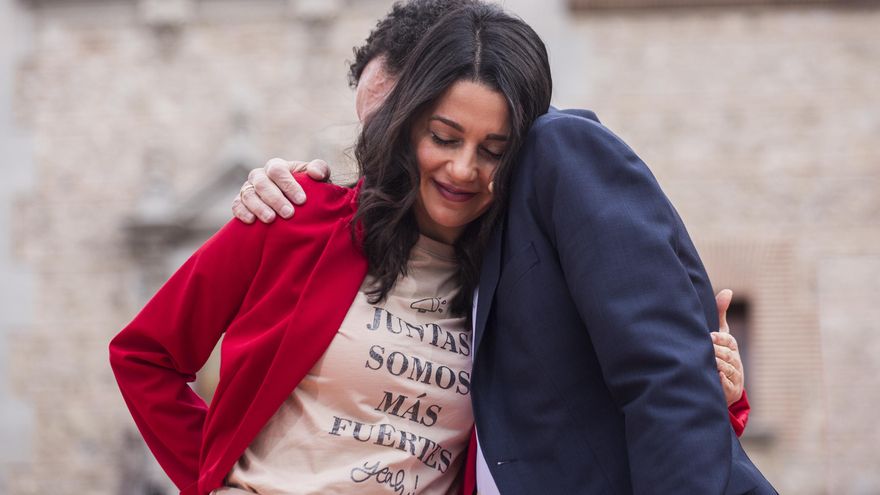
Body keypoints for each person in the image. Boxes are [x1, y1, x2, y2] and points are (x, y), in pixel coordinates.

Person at [228, 1, 776, 494]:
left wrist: (716, 396)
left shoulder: (560, 154)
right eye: (368, 131)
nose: (378, 158)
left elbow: (664, 372)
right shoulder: (437, 250)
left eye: (396, 125)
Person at [111, 4, 555, 495]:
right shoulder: (296, 213)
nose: (462, 169)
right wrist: (215, 477)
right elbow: (143, 354)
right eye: (444, 138)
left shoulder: (517, 276)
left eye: (492, 150)